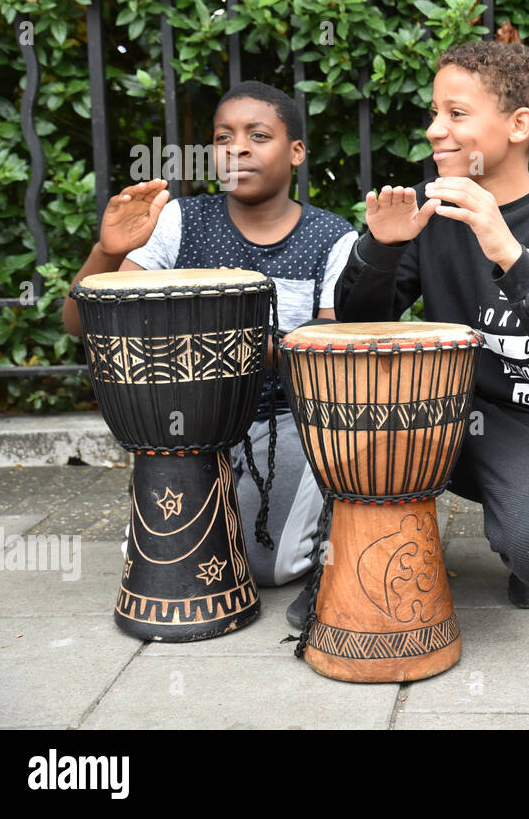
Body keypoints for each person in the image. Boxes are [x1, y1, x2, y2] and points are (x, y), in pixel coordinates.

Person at [334, 40, 529, 608]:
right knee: (348, 432)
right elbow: (360, 325)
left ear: (518, 125)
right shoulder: (428, 209)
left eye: (456, 114)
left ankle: (525, 529)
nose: (436, 129)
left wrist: (511, 253)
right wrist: (382, 248)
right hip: (439, 410)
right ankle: (346, 565)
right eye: (435, 113)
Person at [63, 81, 358, 618]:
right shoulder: (179, 221)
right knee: (168, 556)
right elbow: (79, 323)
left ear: (296, 152)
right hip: (191, 419)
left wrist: (220, 332)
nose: (237, 148)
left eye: (258, 135)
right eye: (224, 137)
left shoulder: (332, 238)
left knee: (265, 567)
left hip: (287, 417)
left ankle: (335, 510)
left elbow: (324, 356)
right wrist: (107, 251)